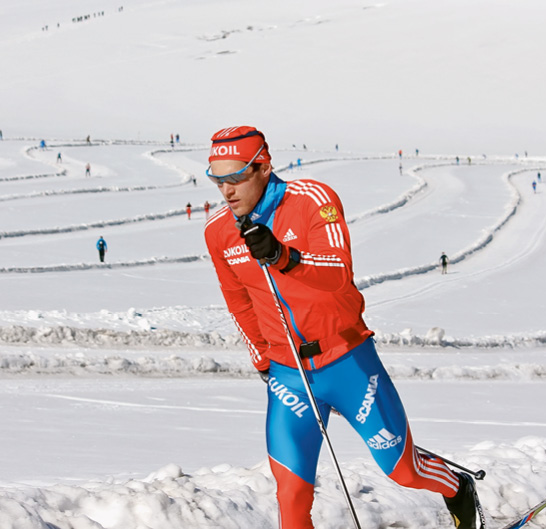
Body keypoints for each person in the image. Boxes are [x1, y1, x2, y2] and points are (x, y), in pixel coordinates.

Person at [203, 126, 476, 529]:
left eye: (236, 177)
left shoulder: (313, 199)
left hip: (348, 360)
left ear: (263, 166)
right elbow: (238, 299)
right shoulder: (218, 231)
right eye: (217, 179)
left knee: (402, 470)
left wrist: (282, 255)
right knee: (291, 495)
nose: (226, 191)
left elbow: (338, 273)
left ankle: (458, 488)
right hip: (288, 374)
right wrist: (261, 354)